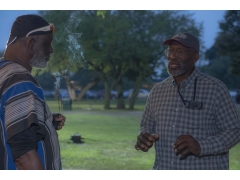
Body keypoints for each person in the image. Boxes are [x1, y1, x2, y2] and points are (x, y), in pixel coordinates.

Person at [134, 32, 240, 170]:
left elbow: (234, 131)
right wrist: (144, 137)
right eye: (170, 51)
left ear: (195, 57)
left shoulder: (215, 89)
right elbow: (147, 126)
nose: (172, 56)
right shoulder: (157, 92)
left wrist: (201, 146)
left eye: (180, 52)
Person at [0, 14, 66, 170]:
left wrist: (44, 122)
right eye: (47, 44)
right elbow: (24, 157)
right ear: (30, 43)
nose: (51, 50)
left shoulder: (4, 73)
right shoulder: (19, 80)